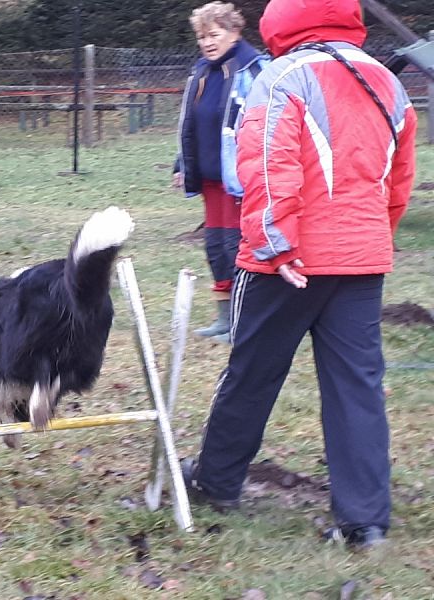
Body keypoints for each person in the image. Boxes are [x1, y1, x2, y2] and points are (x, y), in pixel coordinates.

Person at [180, 0, 417, 551]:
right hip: (361, 259)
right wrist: (372, 236)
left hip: (286, 261)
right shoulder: (388, 80)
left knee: (252, 371)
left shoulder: (282, 74)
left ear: (281, 22)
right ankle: (365, 522)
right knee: (357, 385)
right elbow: (399, 178)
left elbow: (267, 159)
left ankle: (215, 482)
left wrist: (272, 241)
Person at [174, 2, 269, 344]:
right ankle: (223, 318)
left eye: (213, 34)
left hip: (240, 175)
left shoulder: (255, 70)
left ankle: (245, 320)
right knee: (215, 245)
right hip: (209, 175)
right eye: (201, 36)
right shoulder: (201, 71)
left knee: (236, 244)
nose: (206, 42)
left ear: (234, 32)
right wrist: (181, 164)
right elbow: (190, 123)